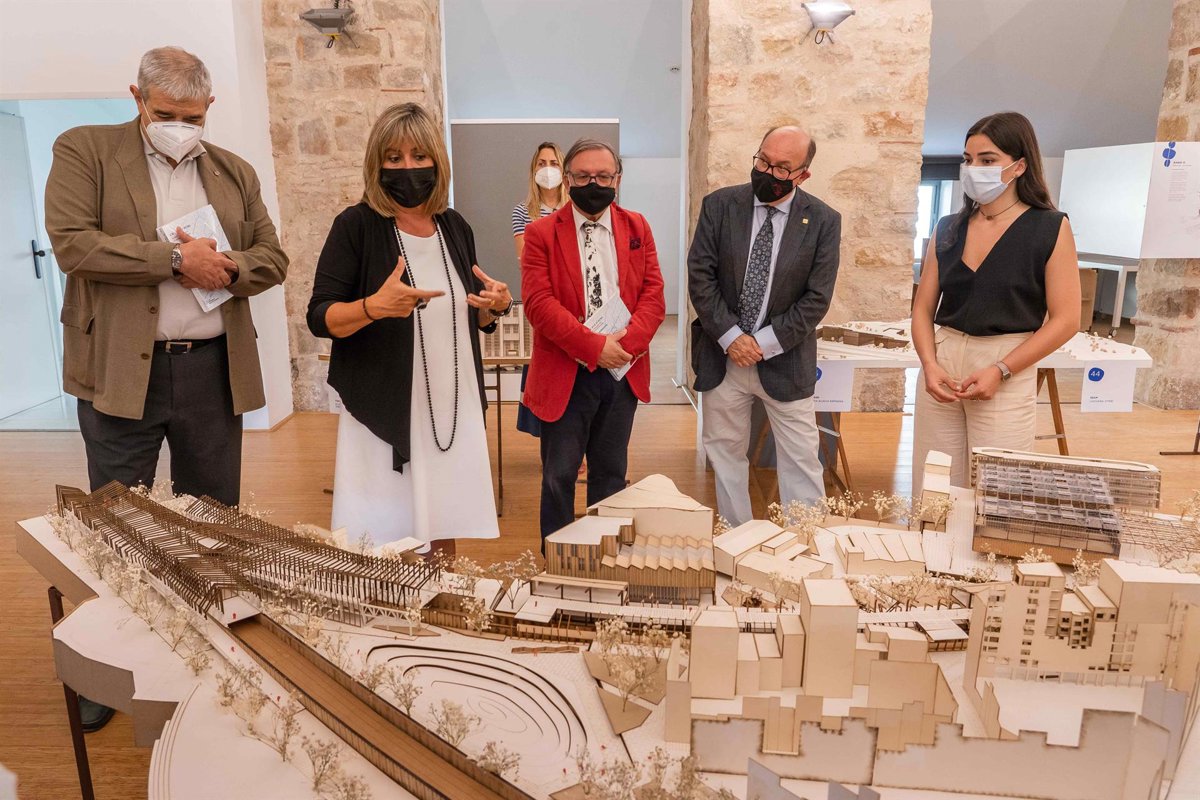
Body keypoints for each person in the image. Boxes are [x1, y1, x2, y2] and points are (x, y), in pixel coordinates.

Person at [44, 45, 288, 732]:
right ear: (137, 99)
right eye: (166, 113)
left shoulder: (234, 172)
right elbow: (73, 244)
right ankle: (107, 665)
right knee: (118, 522)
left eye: (193, 116)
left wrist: (227, 267)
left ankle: (205, 647)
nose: (180, 126)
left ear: (210, 108)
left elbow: (272, 258)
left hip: (212, 370)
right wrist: (176, 259)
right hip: (124, 368)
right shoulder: (86, 151)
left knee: (213, 518)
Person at [307, 103, 510, 558]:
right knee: (386, 534)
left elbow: (467, 313)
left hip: (451, 402)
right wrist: (373, 307)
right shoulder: (356, 226)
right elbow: (319, 315)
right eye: (393, 158)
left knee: (444, 520)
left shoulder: (454, 226)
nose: (408, 168)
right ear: (376, 164)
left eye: (419, 156)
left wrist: (494, 307)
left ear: (437, 161)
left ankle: (443, 595)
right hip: (387, 404)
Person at [912, 111, 1080, 493]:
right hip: (943, 358)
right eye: (968, 160)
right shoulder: (948, 227)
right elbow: (922, 309)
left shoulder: (1050, 227)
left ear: (1019, 166)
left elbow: (1067, 319)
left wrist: (1001, 369)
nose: (974, 169)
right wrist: (929, 364)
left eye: (987, 160)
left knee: (996, 489)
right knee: (934, 482)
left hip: (1006, 361)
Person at [688, 125, 840, 527]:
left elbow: (816, 299)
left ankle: (806, 546)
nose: (768, 173)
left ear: (803, 175)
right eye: (762, 161)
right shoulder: (720, 206)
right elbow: (700, 277)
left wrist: (762, 343)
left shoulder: (824, 221)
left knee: (802, 461)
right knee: (725, 456)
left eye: (782, 168)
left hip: (785, 361)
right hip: (723, 358)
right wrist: (732, 338)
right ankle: (738, 541)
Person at [521, 138, 665, 540]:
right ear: (567, 180)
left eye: (603, 176)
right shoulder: (541, 233)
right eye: (583, 176)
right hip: (566, 373)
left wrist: (624, 348)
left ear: (617, 178)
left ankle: (603, 559)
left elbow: (653, 294)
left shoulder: (637, 227)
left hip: (621, 372)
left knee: (611, 477)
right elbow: (538, 303)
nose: (594, 183)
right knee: (559, 477)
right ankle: (558, 563)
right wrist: (594, 347)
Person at [511, 141, 569, 438]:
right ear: (533, 170)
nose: (548, 169)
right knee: (545, 368)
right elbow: (527, 261)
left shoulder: (574, 209)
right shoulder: (523, 212)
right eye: (542, 164)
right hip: (543, 302)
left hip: (573, 302)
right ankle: (548, 436)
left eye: (554, 163)